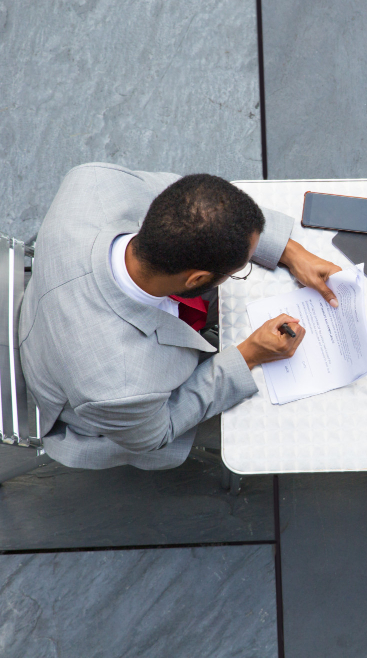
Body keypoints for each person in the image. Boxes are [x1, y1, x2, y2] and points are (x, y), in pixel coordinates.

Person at [18, 163, 341, 470]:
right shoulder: (121, 388)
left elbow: (191, 204)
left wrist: (293, 253)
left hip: (53, 299)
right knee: (264, 421)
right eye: (237, 271)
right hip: (101, 413)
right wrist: (248, 356)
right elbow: (158, 432)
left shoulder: (93, 184)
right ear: (197, 280)